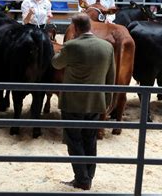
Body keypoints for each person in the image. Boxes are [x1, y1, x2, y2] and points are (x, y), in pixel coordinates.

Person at [51, 13, 115, 191]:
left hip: (73, 102)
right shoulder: (107, 47)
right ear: (90, 27)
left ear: (76, 28)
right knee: (90, 139)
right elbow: (111, 76)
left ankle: (82, 179)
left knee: (74, 140)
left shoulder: (72, 46)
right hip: (96, 101)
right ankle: (88, 176)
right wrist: (107, 101)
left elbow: (56, 64)